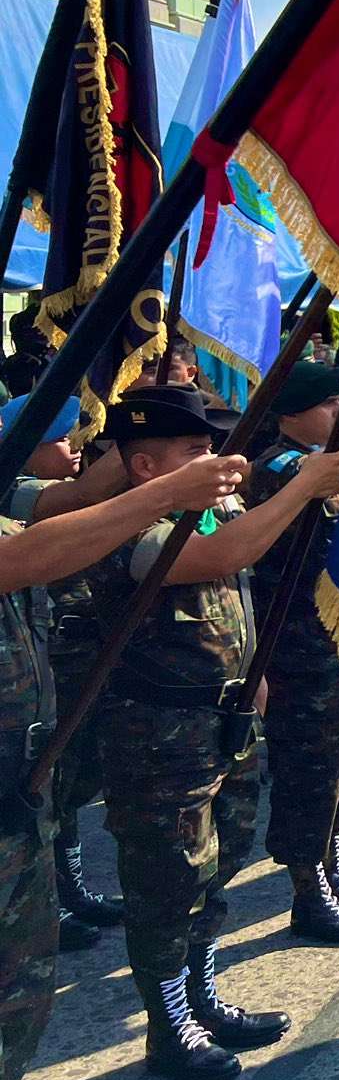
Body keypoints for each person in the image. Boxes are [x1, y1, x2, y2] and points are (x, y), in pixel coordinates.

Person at [88, 386, 339, 1080]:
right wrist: (300, 489)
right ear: (146, 467)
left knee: (221, 863)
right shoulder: (120, 525)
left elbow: (238, 584)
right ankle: (168, 1023)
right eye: (195, 451)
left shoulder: (211, 505)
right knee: (167, 882)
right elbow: (215, 557)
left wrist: (254, 666)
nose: (215, 461)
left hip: (224, 714)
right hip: (159, 731)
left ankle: (202, 994)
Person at [0, 411, 245, 1080]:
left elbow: (49, 511)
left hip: (20, 788)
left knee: (22, 998)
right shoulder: (123, 521)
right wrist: (167, 492)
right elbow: (20, 557)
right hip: (105, 741)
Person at [244, 362, 339, 946]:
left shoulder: (320, 467)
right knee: (310, 774)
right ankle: (308, 894)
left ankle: (334, 872)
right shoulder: (280, 470)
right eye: (328, 405)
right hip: (301, 652)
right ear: (290, 414)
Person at [0, 396, 130, 951]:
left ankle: (63, 890)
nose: (73, 447)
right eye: (59, 438)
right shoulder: (14, 489)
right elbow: (81, 499)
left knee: (62, 790)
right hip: (40, 674)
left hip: (50, 672)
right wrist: (145, 452)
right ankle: (55, 897)